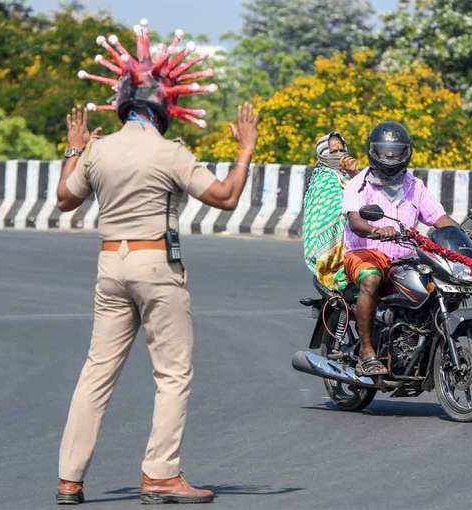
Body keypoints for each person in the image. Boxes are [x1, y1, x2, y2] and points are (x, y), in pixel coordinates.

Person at [54, 26, 259, 505]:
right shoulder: (171, 153)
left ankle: (69, 478)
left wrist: (74, 149)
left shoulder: (97, 151)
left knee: (96, 372)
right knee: (171, 374)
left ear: (122, 99)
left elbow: (64, 200)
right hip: (156, 267)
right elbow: (226, 198)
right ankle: (160, 474)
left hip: (110, 266)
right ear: (166, 104)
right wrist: (245, 148)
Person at [343, 122, 472, 377]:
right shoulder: (359, 184)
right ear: (373, 152)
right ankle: (366, 352)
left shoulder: (414, 186)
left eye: (396, 152)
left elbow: (439, 218)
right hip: (366, 253)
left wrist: (464, 235)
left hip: (406, 257)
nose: (390, 158)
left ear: (406, 153)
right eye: (385, 152)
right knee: (372, 278)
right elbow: (356, 221)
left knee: (437, 284)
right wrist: (377, 230)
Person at [302, 131, 360, 290]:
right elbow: (333, 210)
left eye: (342, 150)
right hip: (334, 248)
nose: (339, 154)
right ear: (323, 154)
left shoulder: (349, 175)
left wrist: (355, 174)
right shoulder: (323, 178)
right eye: (333, 152)